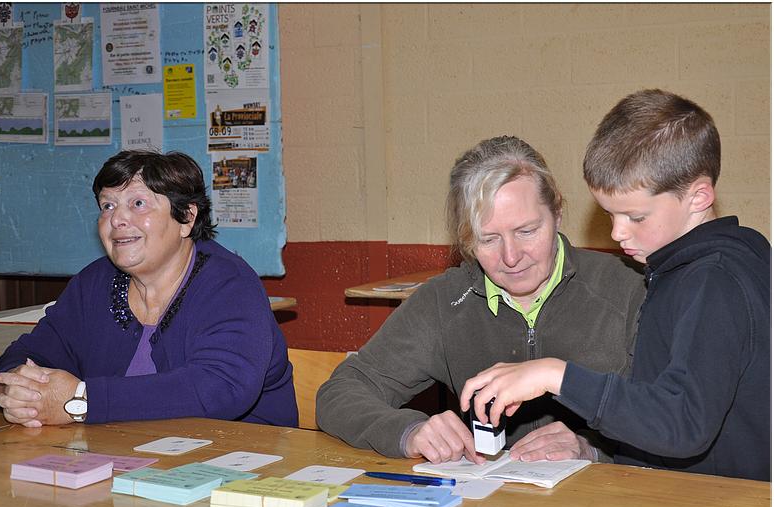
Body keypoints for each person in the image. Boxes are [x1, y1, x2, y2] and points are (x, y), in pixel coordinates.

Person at [460, 90, 770, 481]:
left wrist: (556, 375)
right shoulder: (685, 268)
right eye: (609, 214)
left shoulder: (714, 281)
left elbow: (683, 423)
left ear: (698, 197)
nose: (617, 232)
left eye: (635, 216)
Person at [316, 135, 646, 464]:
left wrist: (593, 448)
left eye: (527, 231)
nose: (511, 257)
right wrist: (409, 431)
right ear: (467, 240)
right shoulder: (445, 301)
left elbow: (675, 421)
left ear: (557, 212)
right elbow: (341, 392)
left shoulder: (628, 289)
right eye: (488, 239)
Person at [0, 150, 298, 428]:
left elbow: (220, 387)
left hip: (238, 463)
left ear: (186, 218)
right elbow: (30, 352)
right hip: (124, 460)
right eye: (107, 205)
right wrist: (15, 391)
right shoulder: (93, 284)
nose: (117, 219)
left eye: (138, 203)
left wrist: (83, 400)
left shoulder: (229, 285)